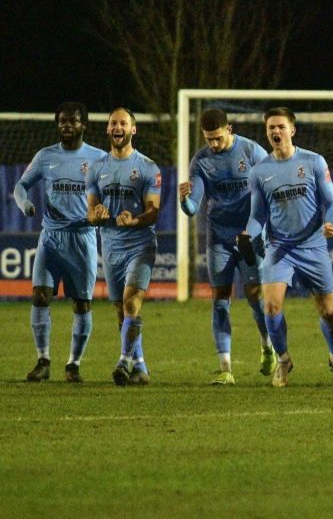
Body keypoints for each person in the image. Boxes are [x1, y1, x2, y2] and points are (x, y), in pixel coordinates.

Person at [245, 106, 333, 388]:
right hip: (279, 248)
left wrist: (331, 222)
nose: (276, 132)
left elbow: (332, 202)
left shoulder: (314, 162)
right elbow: (258, 215)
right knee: (270, 306)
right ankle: (283, 360)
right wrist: (248, 233)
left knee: (328, 311)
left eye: (281, 127)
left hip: (313, 246)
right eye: (271, 128)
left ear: (292, 130)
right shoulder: (259, 171)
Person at [179, 108, 275, 385]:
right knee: (220, 299)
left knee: (255, 296)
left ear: (229, 130)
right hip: (219, 236)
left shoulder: (251, 151)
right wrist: (185, 201)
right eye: (209, 139)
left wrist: (261, 226)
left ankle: (267, 345)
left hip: (249, 236)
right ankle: (225, 368)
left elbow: (269, 187)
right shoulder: (200, 162)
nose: (213, 144)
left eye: (218, 138)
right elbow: (193, 206)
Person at [13, 102, 106, 382]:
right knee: (40, 295)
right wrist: (25, 203)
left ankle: (73, 365)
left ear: (84, 125)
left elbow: (110, 193)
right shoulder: (45, 156)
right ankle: (43, 360)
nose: (66, 125)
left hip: (82, 238)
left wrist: (105, 210)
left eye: (72, 121)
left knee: (81, 304)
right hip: (51, 238)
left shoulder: (99, 159)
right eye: (62, 121)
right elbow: (20, 186)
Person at [86, 108, 162, 386]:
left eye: (123, 123)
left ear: (133, 130)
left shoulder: (148, 167)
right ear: (107, 129)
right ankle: (140, 366)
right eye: (113, 123)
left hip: (140, 245)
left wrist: (135, 220)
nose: (118, 127)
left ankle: (123, 361)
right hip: (111, 247)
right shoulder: (96, 168)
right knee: (122, 310)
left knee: (132, 302)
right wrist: (98, 215)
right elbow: (90, 211)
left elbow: (154, 211)